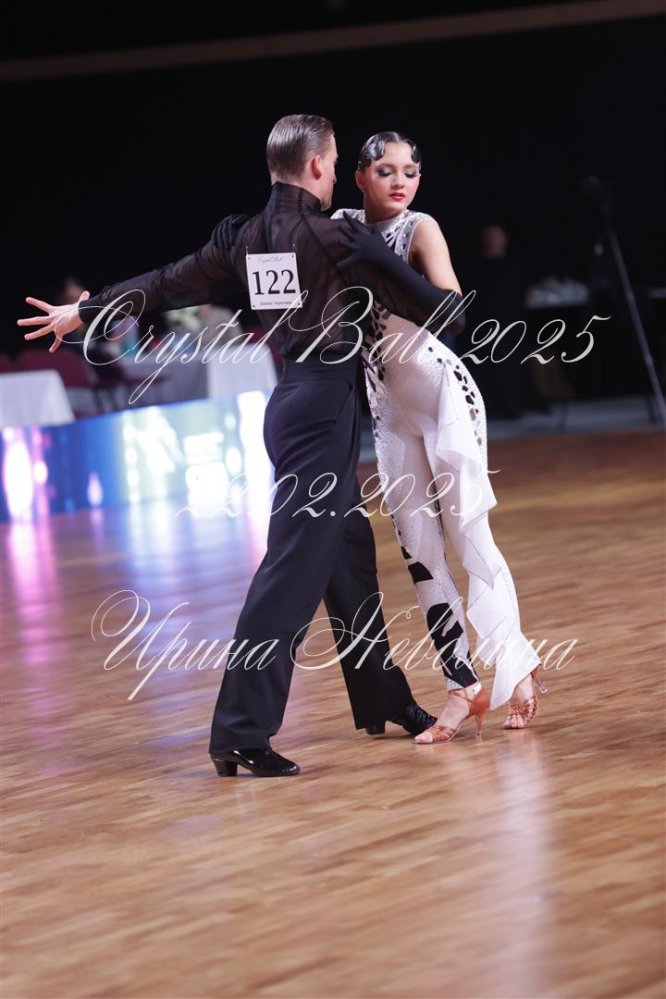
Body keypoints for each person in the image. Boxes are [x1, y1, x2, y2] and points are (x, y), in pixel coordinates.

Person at [18, 114, 468, 777]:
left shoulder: (244, 236)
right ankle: (239, 730)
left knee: (346, 554)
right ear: (317, 166)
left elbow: (166, 282)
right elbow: (447, 313)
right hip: (322, 412)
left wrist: (86, 310)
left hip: (288, 406)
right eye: (335, 161)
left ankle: (382, 696)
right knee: (291, 571)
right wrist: (378, 257)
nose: (335, 171)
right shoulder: (338, 238)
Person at [332, 132, 545, 744]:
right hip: (388, 409)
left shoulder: (419, 228)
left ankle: (517, 667)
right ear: (359, 177)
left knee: (470, 537)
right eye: (385, 170)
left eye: (410, 171)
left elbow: (453, 309)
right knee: (420, 554)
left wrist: (382, 263)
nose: (399, 181)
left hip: (444, 398)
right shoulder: (340, 226)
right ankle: (461, 686)